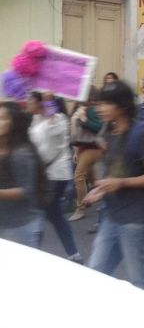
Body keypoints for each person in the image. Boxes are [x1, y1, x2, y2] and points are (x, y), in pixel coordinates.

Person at [84, 80, 144, 294]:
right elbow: (118, 171)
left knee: (140, 281)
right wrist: (100, 190)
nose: (99, 109)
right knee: (96, 272)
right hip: (112, 215)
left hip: (136, 219)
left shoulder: (142, 134)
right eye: (99, 104)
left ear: (122, 106)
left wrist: (121, 183)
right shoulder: (111, 134)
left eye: (105, 104)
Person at [27, 92, 83, 263]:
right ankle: (74, 254)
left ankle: (30, 254)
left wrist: (48, 100)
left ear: (40, 102)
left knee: (39, 213)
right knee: (55, 215)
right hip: (43, 175)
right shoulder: (36, 119)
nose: (27, 102)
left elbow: (52, 132)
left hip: (55, 175)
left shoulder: (58, 119)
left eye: (31, 99)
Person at [0, 102, 47, 248]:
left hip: (20, 226)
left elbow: (26, 191)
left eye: (2, 118)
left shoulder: (21, 153)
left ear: (13, 123)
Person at [68, 87, 104, 222]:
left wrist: (84, 119)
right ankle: (105, 203)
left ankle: (80, 208)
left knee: (78, 176)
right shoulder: (80, 109)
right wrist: (77, 150)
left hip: (93, 147)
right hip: (83, 147)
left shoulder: (92, 109)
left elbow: (99, 127)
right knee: (94, 180)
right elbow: (76, 133)